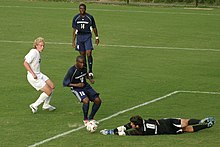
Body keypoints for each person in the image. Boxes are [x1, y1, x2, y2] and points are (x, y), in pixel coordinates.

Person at [63, 55, 102, 125]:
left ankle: (91, 118)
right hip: (76, 88)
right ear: (77, 62)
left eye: (83, 63)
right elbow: (65, 83)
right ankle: (85, 119)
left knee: (98, 100)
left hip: (86, 86)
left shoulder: (84, 67)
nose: (82, 64)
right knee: (86, 100)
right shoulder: (72, 71)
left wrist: (90, 79)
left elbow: (85, 73)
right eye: (81, 63)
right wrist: (77, 85)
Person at [23, 37, 56, 113]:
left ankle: (46, 105)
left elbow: (26, 58)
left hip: (39, 74)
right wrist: (33, 73)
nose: (42, 47)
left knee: (52, 86)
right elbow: (25, 63)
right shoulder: (34, 52)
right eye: (40, 45)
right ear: (36, 45)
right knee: (48, 91)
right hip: (33, 76)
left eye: (43, 45)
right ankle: (34, 105)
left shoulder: (36, 53)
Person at [100, 115, 215, 136]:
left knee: (187, 129)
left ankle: (206, 125)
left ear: (136, 125)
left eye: (132, 123)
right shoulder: (142, 123)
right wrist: (112, 131)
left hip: (169, 131)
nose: (130, 124)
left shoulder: (141, 131)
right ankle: (201, 121)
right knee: (184, 122)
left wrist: (112, 131)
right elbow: (126, 130)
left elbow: (125, 131)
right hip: (167, 123)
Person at [72, 3, 99, 79]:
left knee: (89, 53)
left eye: (83, 8)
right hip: (80, 37)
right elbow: (74, 30)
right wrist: (73, 41)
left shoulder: (89, 17)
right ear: (79, 9)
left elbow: (94, 27)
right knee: (82, 56)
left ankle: (90, 72)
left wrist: (97, 37)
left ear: (85, 9)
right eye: (80, 8)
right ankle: (85, 71)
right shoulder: (76, 18)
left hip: (87, 36)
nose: (82, 10)